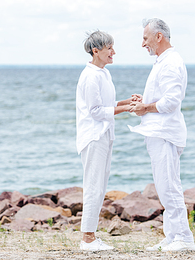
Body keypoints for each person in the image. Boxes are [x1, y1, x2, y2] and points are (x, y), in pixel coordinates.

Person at [129, 18, 195, 252]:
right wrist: (144, 102)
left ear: (159, 36)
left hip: (165, 133)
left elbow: (171, 101)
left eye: (145, 38)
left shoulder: (170, 62)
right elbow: (163, 97)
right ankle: (172, 236)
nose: (143, 44)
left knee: (169, 186)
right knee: (164, 185)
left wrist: (146, 108)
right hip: (158, 132)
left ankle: (184, 239)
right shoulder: (162, 61)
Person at [76, 30, 134, 251]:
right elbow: (97, 111)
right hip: (93, 136)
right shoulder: (90, 76)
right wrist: (127, 109)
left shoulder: (103, 74)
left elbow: (107, 103)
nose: (114, 52)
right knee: (93, 185)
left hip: (105, 135)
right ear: (96, 51)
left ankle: (91, 236)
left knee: (100, 186)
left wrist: (127, 101)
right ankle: (87, 239)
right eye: (109, 48)